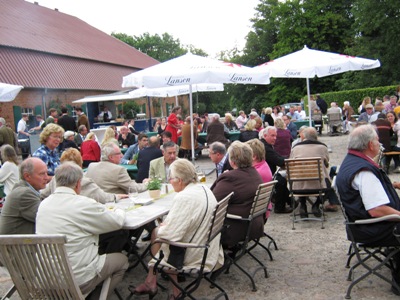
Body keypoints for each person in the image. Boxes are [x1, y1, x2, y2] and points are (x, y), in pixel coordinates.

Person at [130, 159, 223, 299]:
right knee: (161, 235)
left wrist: (163, 227)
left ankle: (162, 286)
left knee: (157, 234)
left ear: (179, 180)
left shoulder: (184, 197)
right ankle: (153, 282)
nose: (170, 181)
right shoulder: (204, 188)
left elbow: (170, 235)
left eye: (171, 178)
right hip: (208, 247)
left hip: (194, 252)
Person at [36, 162, 128, 298]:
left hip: (47, 279)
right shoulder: (83, 204)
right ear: (79, 183)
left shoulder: (43, 205)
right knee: (122, 260)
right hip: (77, 280)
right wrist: (119, 209)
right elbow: (116, 222)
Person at [336, 124, 400, 295]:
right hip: (371, 228)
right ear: (370, 145)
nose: (380, 145)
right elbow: (377, 210)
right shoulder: (364, 171)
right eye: (378, 141)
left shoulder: (352, 161)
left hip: (362, 226)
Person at [211, 141, 263, 248]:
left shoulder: (231, 178)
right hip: (254, 224)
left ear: (232, 162)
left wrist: (221, 179)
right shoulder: (255, 173)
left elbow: (211, 200)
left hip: (235, 228)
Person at [40, 148, 127, 204]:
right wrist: (117, 196)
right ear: (80, 163)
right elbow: (103, 198)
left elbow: (42, 194)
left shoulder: (54, 180)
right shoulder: (85, 182)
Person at [290, 127, 339, 217]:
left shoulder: (296, 148)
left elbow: (291, 164)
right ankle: (316, 204)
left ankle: (303, 204)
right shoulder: (322, 147)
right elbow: (326, 164)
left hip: (297, 187)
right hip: (319, 186)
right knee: (328, 184)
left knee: (301, 178)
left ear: (304, 136)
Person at [0, 157, 49, 234]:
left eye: (47, 173)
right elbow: (49, 218)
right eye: (42, 174)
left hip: (19, 244)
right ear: (27, 176)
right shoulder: (24, 194)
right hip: (15, 245)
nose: (47, 178)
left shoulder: (25, 189)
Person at [260, 126, 292, 213]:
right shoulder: (265, 147)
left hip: (265, 173)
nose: (275, 138)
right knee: (280, 180)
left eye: (275, 136)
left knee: (280, 179)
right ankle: (280, 207)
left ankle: (291, 201)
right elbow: (279, 161)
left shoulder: (265, 145)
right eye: (272, 136)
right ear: (265, 135)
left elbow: (277, 157)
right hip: (264, 176)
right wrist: (290, 160)